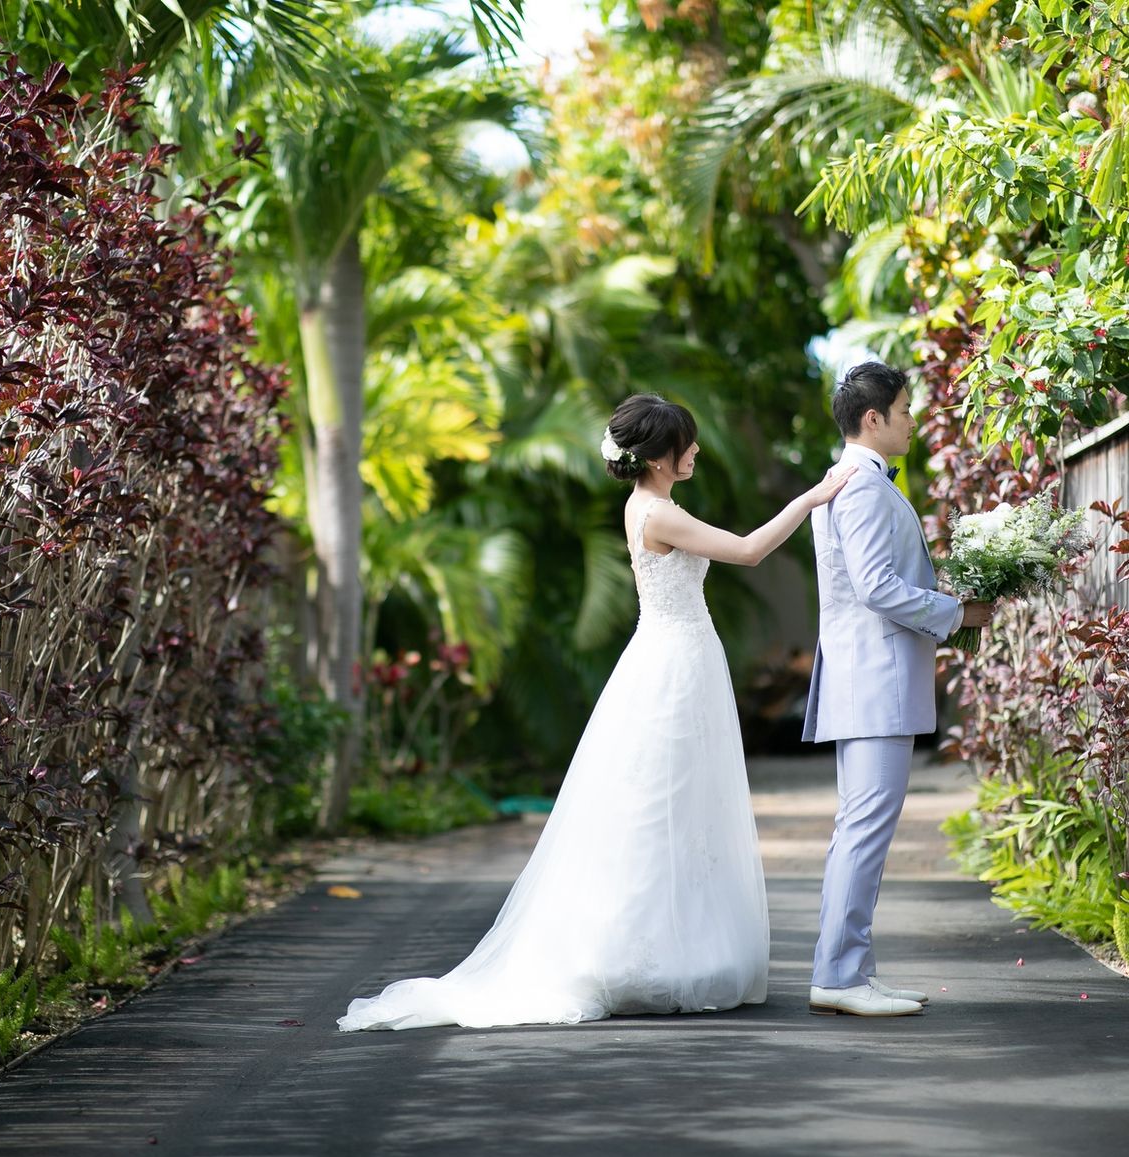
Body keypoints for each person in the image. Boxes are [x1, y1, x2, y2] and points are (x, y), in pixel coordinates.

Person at [338, 393, 854, 1032]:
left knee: (676, 804)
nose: (696, 451)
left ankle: (677, 951)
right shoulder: (658, 514)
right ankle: (647, 957)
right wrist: (814, 497)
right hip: (673, 663)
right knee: (664, 804)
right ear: (659, 457)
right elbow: (748, 550)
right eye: (686, 443)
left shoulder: (648, 506)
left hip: (675, 656)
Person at [802, 361, 996, 1018]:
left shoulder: (855, 480)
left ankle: (848, 969)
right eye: (907, 410)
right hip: (874, 681)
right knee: (863, 833)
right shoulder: (861, 486)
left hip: (870, 679)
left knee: (859, 831)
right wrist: (956, 613)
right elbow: (876, 587)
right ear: (874, 418)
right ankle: (840, 976)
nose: (915, 422)